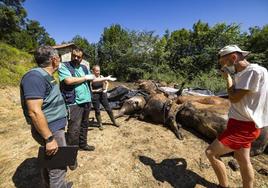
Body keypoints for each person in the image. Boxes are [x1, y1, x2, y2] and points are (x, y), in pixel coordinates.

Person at [205, 45, 268, 188]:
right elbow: (235, 94)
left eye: (224, 63)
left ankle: (223, 186)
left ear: (233, 57)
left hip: (243, 126)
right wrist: (230, 78)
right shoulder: (245, 73)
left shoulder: (252, 72)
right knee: (242, 159)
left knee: (211, 153)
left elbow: (233, 98)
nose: (223, 67)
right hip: (242, 123)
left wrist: (227, 77)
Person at [20, 46, 72, 188]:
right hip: (51, 130)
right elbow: (34, 111)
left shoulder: (45, 75)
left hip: (54, 127)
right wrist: (49, 139)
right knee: (58, 167)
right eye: (59, 59)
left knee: (49, 162)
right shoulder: (34, 77)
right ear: (55, 60)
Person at [58, 48, 116, 152]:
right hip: (74, 102)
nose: (76, 58)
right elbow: (68, 80)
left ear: (82, 58)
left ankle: (83, 144)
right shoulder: (64, 66)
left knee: (84, 125)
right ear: (71, 55)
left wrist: (106, 78)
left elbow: (93, 79)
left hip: (87, 100)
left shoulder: (84, 67)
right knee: (73, 129)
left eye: (78, 57)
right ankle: (71, 154)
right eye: (74, 56)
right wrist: (85, 78)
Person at [90, 65, 120, 130]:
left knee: (108, 108)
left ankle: (114, 121)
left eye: (99, 70)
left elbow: (106, 82)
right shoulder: (91, 78)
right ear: (93, 71)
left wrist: (106, 89)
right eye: (97, 71)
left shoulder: (101, 76)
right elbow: (89, 89)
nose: (98, 72)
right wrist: (96, 90)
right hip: (95, 96)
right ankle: (100, 124)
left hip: (102, 95)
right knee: (97, 110)